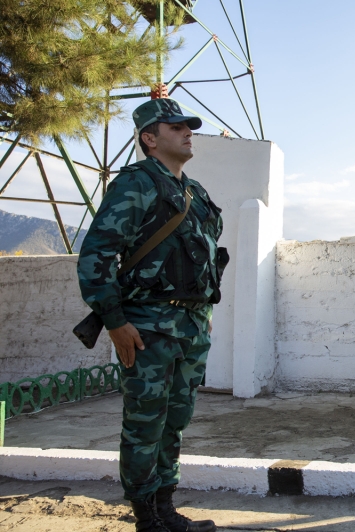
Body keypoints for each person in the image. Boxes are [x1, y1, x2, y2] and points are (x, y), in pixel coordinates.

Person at [78, 98, 226, 531]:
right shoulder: (136, 183)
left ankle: (166, 510)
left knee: (175, 422)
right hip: (146, 327)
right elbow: (97, 255)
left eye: (188, 126)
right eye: (175, 127)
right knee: (145, 423)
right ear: (150, 138)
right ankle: (147, 518)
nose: (187, 132)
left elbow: (205, 255)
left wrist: (203, 310)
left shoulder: (195, 192)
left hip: (191, 327)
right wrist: (114, 321)